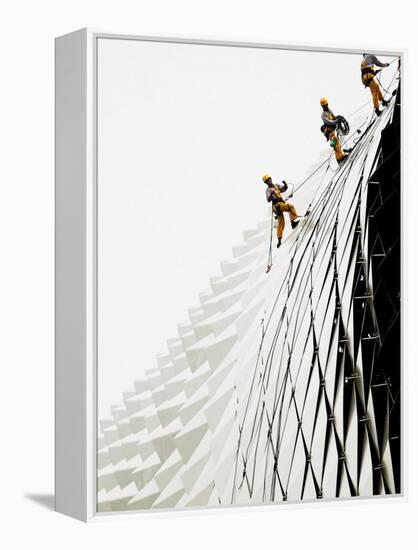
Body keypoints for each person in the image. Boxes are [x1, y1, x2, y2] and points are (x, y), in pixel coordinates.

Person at [263, 175, 299, 248]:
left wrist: (285, 185)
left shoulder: (276, 186)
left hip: (280, 204)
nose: (268, 182)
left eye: (269, 180)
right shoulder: (268, 190)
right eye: (267, 181)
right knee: (290, 207)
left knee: (281, 223)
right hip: (276, 206)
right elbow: (268, 200)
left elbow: (283, 189)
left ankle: (279, 240)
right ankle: (293, 223)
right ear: (266, 183)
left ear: (271, 179)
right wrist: (271, 194)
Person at [320, 97, 349, 165]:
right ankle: (339, 157)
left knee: (337, 143)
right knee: (335, 143)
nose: (325, 106)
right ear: (322, 106)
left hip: (333, 131)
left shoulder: (329, 111)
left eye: (326, 105)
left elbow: (333, 117)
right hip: (330, 132)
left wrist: (338, 118)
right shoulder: (323, 115)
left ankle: (339, 157)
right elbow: (329, 122)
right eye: (324, 105)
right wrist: (337, 121)